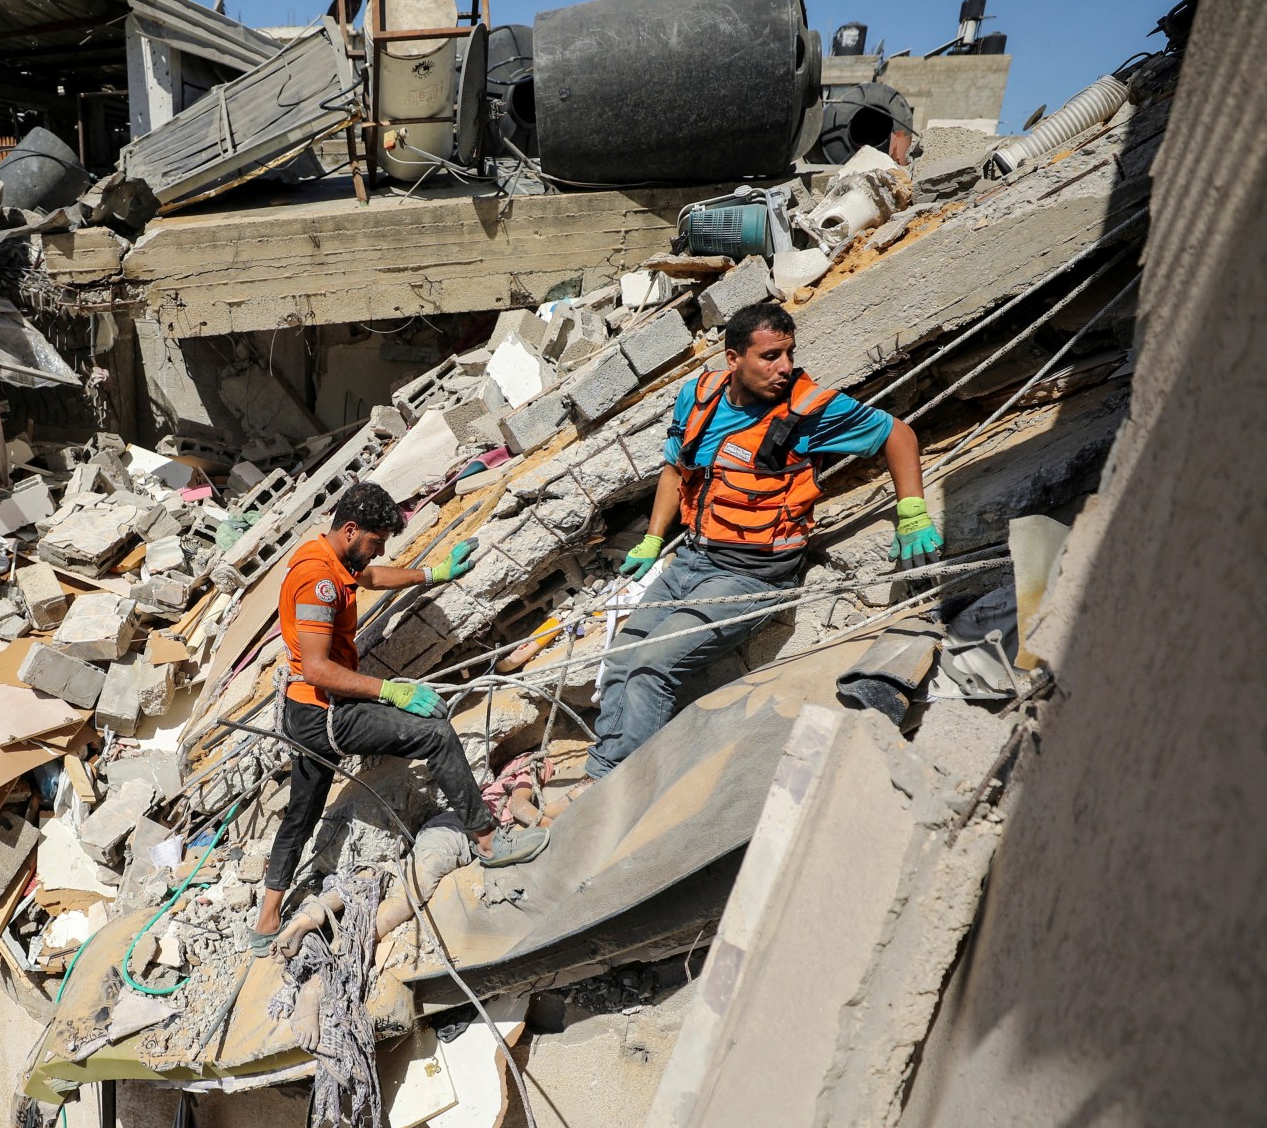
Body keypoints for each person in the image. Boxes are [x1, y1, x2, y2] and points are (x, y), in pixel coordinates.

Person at [575, 300, 939, 784]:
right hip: (691, 559)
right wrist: (652, 539)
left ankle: (613, 786)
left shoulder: (808, 412)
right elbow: (674, 468)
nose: (784, 367)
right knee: (621, 656)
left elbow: (896, 434)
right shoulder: (698, 397)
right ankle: (602, 770)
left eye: (789, 353)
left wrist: (910, 511)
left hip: (751, 573)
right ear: (733, 360)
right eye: (770, 356)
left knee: (652, 665)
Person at [253, 482, 548, 950]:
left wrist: (432, 573)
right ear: (351, 530)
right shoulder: (319, 581)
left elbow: (368, 578)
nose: (378, 552)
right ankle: (490, 842)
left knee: (302, 810)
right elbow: (317, 667)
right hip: (324, 711)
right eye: (375, 542)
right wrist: (391, 691)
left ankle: (267, 920)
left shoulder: (329, 555)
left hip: (305, 710)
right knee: (433, 733)